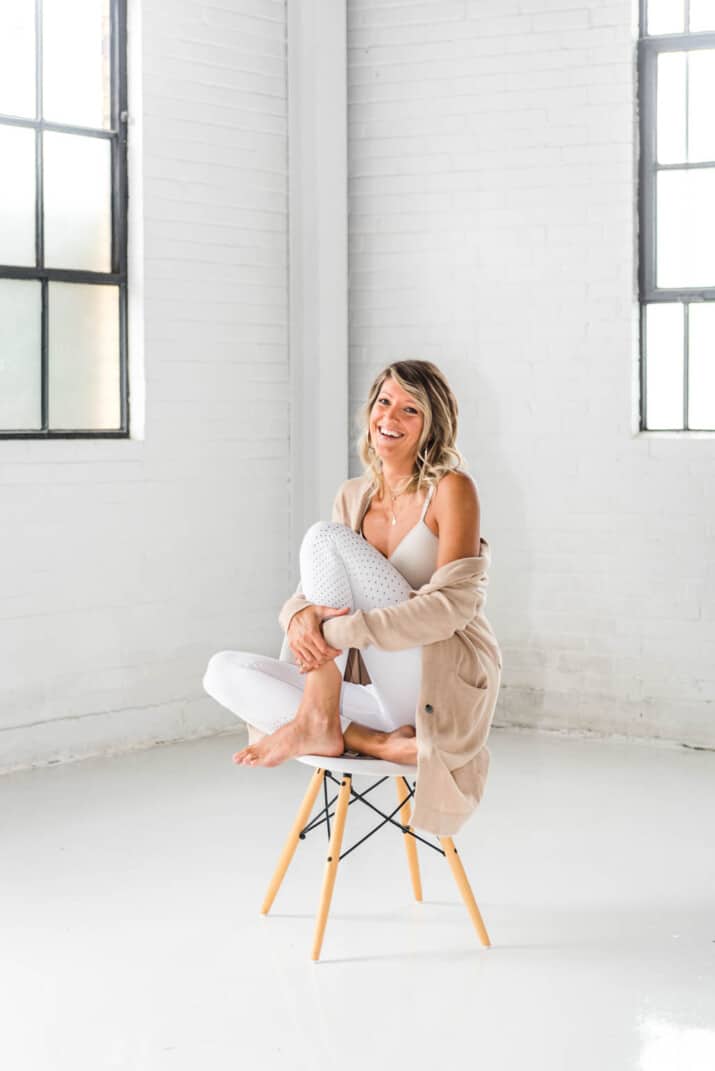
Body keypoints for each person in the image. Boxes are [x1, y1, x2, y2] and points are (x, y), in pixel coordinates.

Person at [203, 361, 501, 828]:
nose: (390, 418)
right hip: (372, 690)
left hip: (429, 677)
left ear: (432, 425)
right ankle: (367, 739)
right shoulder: (354, 496)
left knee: (323, 537)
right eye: (384, 403)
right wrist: (299, 618)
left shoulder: (451, 490)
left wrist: (337, 630)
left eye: (410, 410)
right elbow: (313, 593)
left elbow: (453, 607)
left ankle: (320, 721)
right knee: (221, 671)